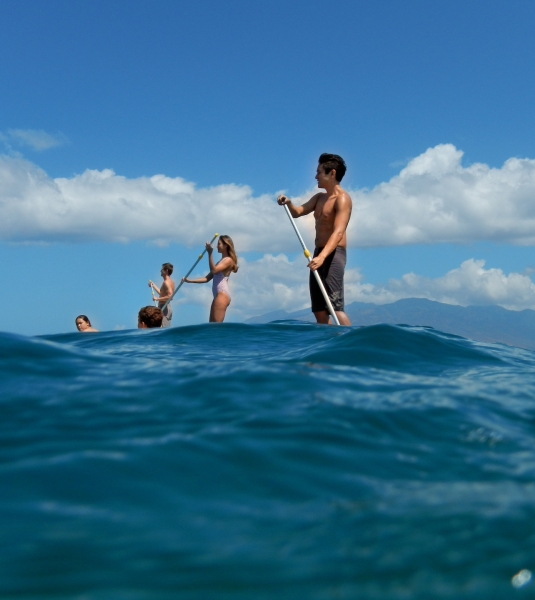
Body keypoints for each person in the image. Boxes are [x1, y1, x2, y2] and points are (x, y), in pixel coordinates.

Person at [277, 153, 352, 326]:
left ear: (332, 174)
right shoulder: (319, 198)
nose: (315, 176)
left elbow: (338, 232)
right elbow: (297, 212)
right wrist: (288, 203)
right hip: (319, 254)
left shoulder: (342, 199)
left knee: (335, 307)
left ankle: (350, 344)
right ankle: (328, 344)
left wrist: (322, 257)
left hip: (333, 255)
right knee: (319, 310)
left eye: (319, 172)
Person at [182, 235, 238, 323]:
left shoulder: (228, 260)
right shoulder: (220, 262)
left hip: (222, 294)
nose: (217, 246)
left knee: (215, 328)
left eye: (219, 244)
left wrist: (210, 253)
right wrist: (189, 280)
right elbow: (206, 278)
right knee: (211, 327)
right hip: (217, 295)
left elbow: (214, 270)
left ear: (226, 245)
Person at [148, 263, 175, 327]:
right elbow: (161, 293)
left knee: (163, 330)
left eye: (162, 269)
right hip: (163, 307)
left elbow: (170, 297)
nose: (160, 271)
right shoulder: (169, 282)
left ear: (166, 271)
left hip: (164, 308)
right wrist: (153, 285)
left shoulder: (166, 282)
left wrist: (157, 299)